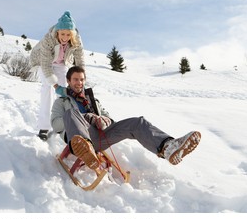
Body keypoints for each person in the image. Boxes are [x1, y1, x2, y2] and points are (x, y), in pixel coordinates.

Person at [51, 66, 201, 172]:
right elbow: (55, 124)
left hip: (101, 136)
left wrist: (103, 120)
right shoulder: (62, 102)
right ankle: (85, 148)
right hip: (78, 139)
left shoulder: (93, 100)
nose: (79, 83)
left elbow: (110, 118)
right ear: (68, 81)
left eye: (82, 79)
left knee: (137, 122)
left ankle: (168, 147)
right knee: (70, 113)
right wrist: (84, 117)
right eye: (75, 79)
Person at [30, 11, 85, 140]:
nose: (65, 37)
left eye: (68, 34)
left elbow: (80, 61)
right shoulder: (48, 39)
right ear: (57, 32)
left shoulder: (76, 41)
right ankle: (43, 127)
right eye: (62, 34)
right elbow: (46, 65)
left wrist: (81, 81)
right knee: (47, 89)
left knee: (65, 93)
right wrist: (55, 85)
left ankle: (66, 123)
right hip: (43, 62)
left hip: (61, 63)